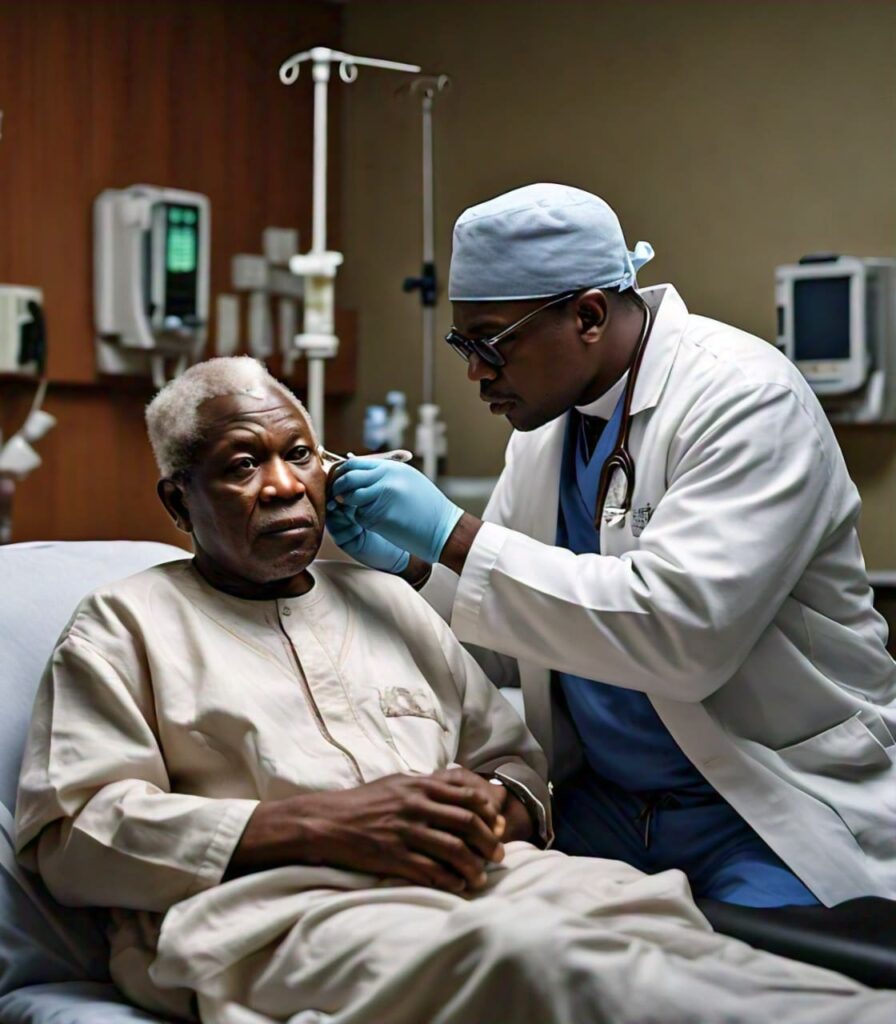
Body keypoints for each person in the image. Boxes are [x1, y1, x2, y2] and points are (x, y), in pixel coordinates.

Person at [14, 356, 895, 1024]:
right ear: (178, 503)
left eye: (298, 454)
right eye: (243, 465)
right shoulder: (123, 626)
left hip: (485, 878)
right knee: (549, 963)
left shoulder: (388, 599)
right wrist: (322, 824)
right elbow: (72, 832)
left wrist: (491, 809)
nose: (285, 485)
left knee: (659, 920)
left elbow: (510, 759)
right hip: (281, 913)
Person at [327, 182, 896, 912]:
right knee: (496, 940)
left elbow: (681, 639)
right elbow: (509, 642)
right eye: (460, 343)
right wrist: (409, 565)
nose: (474, 371)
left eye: (488, 342)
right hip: (607, 808)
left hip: (764, 806)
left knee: (726, 984)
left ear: (588, 315)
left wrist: (456, 536)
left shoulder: (745, 399)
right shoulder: (547, 433)